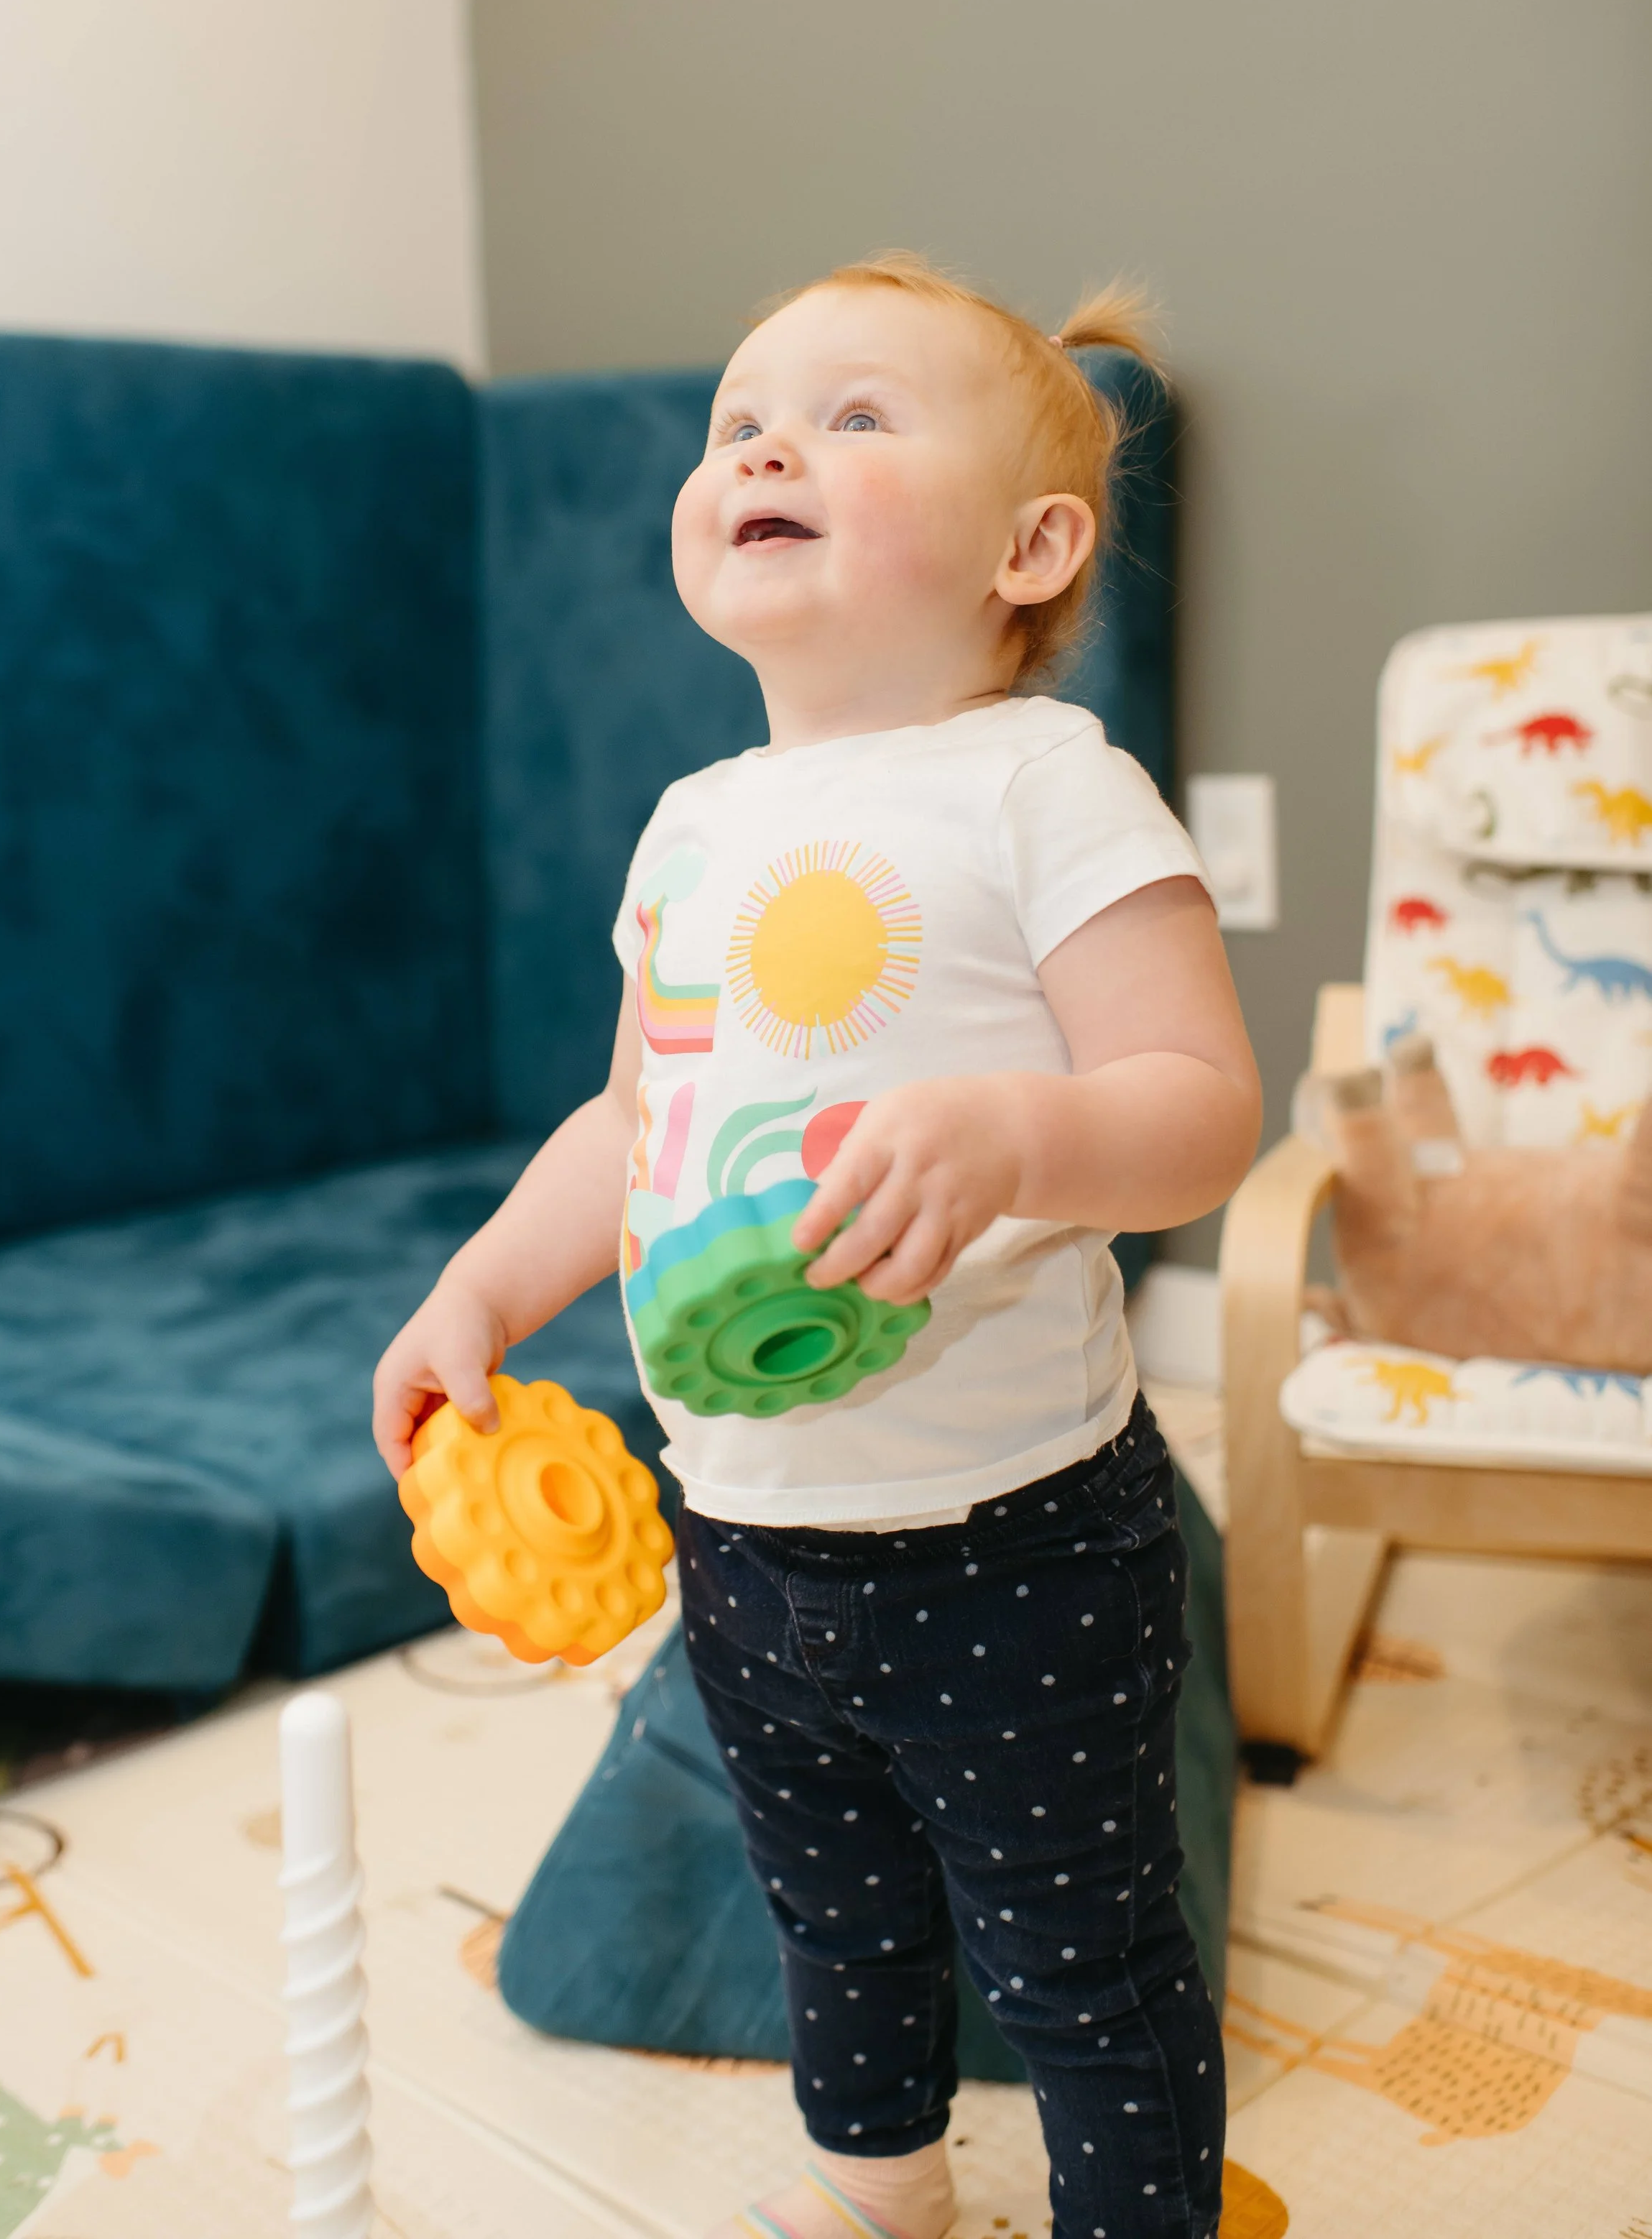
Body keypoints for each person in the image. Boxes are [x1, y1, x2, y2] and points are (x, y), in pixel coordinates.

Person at [374, 252, 1262, 2239]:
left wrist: (1022, 1126)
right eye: (741, 417)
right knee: (834, 1921)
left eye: (858, 414)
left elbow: (1199, 1096)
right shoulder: (691, 819)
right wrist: (480, 1292)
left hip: (1012, 1531)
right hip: (749, 1527)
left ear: (1027, 545)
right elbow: (631, 1125)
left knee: (1079, 1959)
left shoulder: (1044, 784)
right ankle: (882, 2197)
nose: (766, 438)